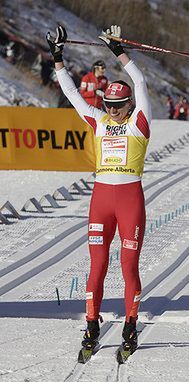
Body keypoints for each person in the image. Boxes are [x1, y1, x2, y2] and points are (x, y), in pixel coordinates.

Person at [47, 24, 151, 354]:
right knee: (97, 265)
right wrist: (58, 57)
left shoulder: (139, 123)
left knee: (128, 267)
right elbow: (72, 94)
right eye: (107, 104)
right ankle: (91, 324)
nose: (111, 110)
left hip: (129, 200)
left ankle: (131, 326)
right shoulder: (98, 122)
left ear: (130, 106)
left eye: (117, 106)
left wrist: (118, 51)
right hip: (101, 200)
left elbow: (142, 82)